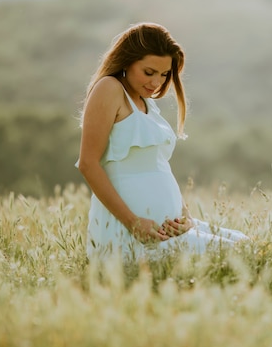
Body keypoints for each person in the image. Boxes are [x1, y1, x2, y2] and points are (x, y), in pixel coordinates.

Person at [77, 22, 248, 260]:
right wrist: (133, 223)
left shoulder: (146, 102)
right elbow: (88, 164)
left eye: (164, 74)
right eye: (149, 72)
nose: (156, 83)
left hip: (167, 229)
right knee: (237, 253)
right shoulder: (109, 89)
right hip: (130, 235)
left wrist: (185, 215)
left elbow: (158, 167)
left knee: (244, 244)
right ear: (127, 61)